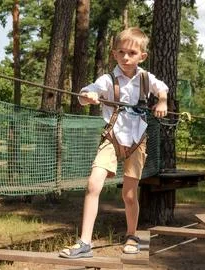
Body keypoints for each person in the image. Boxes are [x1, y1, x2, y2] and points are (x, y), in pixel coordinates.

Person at [59, 27, 168, 259]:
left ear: (142, 56)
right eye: (121, 52)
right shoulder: (108, 80)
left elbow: (162, 89)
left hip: (137, 141)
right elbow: (90, 91)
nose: (126, 57)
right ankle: (85, 242)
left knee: (129, 195)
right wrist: (86, 96)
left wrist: (162, 102)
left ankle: (131, 235)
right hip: (111, 139)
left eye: (132, 53)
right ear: (114, 54)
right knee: (93, 184)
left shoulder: (146, 79)